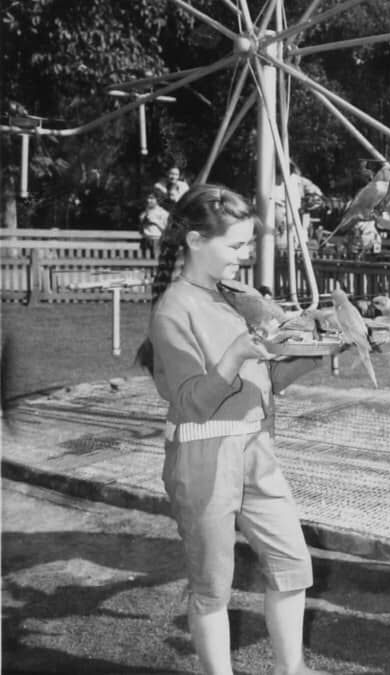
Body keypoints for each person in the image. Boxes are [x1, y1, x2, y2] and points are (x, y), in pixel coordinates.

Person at [138, 184, 327, 675]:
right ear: (197, 241)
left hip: (254, 446)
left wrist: (321, 354)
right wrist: (238, 353)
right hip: (203, 456)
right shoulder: (175, 309)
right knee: (211, 586)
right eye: (237, 246)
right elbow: (192, 403)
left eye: (247, 245)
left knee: (292, 565)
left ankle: (294, 670)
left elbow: (265, 382)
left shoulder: (231, 299)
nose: (245, 257)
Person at [138, 191, 169, 259]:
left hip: (157, 240)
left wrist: (155, 222)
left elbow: (167, 230)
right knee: (144, 263)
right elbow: (140, 230)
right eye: (148, 198)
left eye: (152, 198)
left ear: (157, 199)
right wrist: (143, 221)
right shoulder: (144, 213)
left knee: (156, 261)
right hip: (145, 240)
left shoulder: (163, 213)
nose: (148, 200)